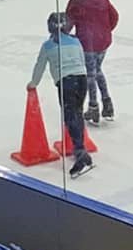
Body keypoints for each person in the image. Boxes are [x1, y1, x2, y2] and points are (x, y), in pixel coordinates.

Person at [28, 12, 93, 180]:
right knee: (77, 112)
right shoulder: (76, 41)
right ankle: (80, 147)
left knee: (70, 116)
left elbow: (39, 66)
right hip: (81, 79)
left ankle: (80, 152)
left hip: (67, 82)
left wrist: (33, 84)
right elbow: (82, 60)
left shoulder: (48, 46)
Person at [65, 0, 120, 123]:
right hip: (103, 42)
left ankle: (93, 107)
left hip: (87, 43)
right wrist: (105, 31)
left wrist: (64, 36)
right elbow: (114, 16)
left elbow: (68, 23)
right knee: (97, 70)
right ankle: (107, 103)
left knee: (90, 74)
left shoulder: (76, 0)